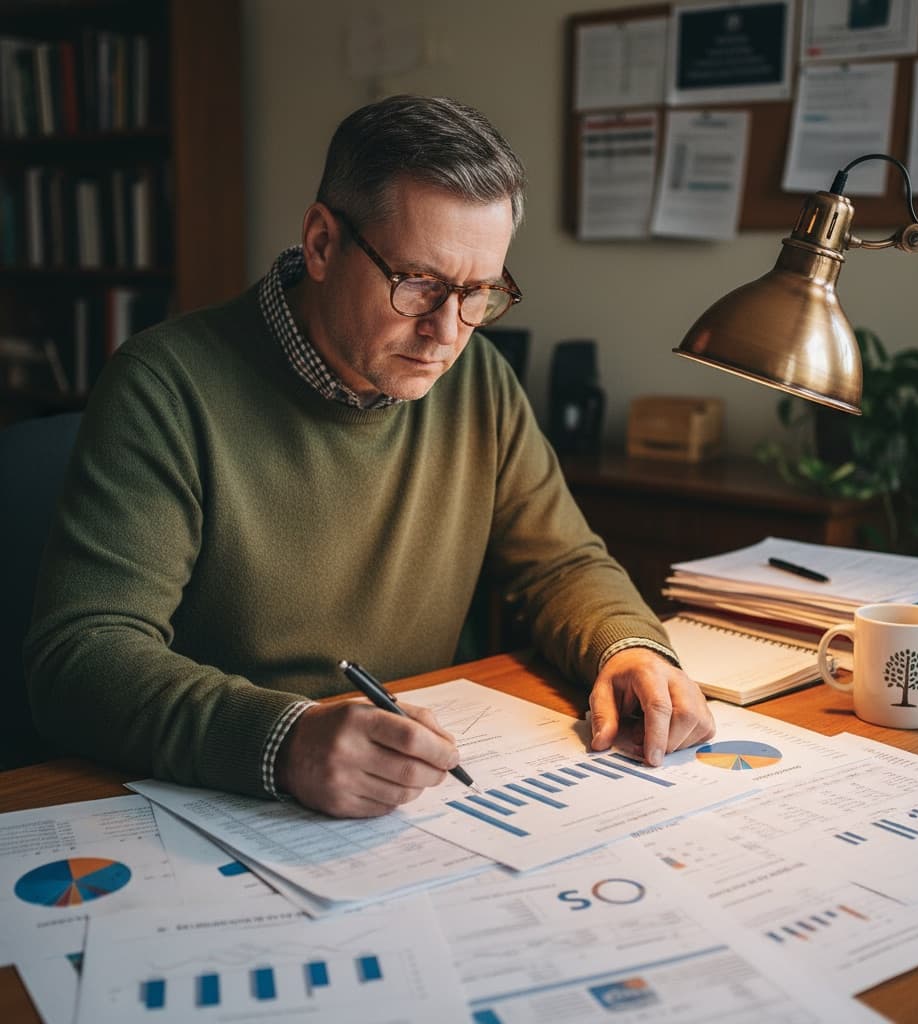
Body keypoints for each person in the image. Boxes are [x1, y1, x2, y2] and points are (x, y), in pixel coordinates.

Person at [26, 95, 713, 818]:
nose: (447, 332)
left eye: (478, 291)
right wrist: (284, 740)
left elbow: (562, 564)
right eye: (418, 282)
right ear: (322, 243)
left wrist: (630, 648)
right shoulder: (166, 385)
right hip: (230, 806)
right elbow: (81, 656)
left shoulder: (478, 381)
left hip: (420, 798)